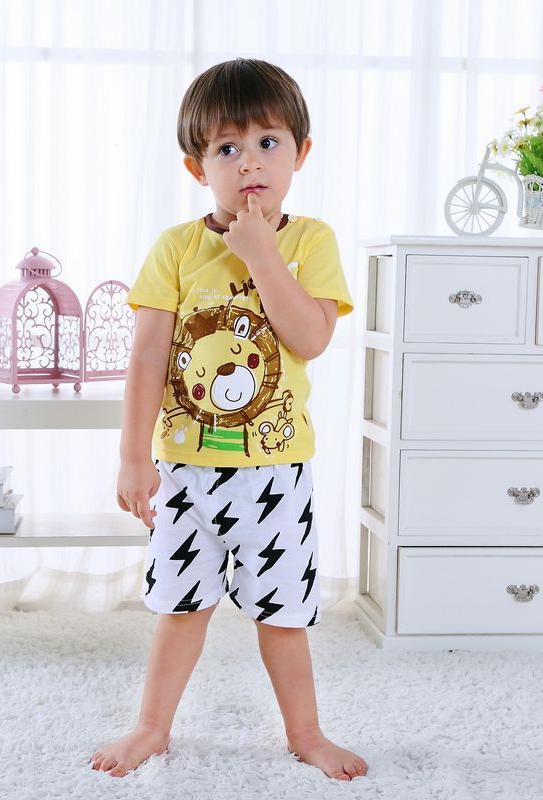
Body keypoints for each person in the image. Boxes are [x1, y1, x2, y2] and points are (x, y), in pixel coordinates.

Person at [90, 57, 366, 782]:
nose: (250, 163)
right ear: (197, 166)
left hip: (275, 473)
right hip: (185, 473)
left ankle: (305, 732)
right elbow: (147, 357)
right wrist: (132, 456)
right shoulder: (177, 248)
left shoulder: (311, 242)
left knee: (283, 614)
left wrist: (262, 255)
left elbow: (310, 338)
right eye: (227, 148)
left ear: (301, 154)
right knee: (181, 608)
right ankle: (152, 726)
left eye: (268, 143)